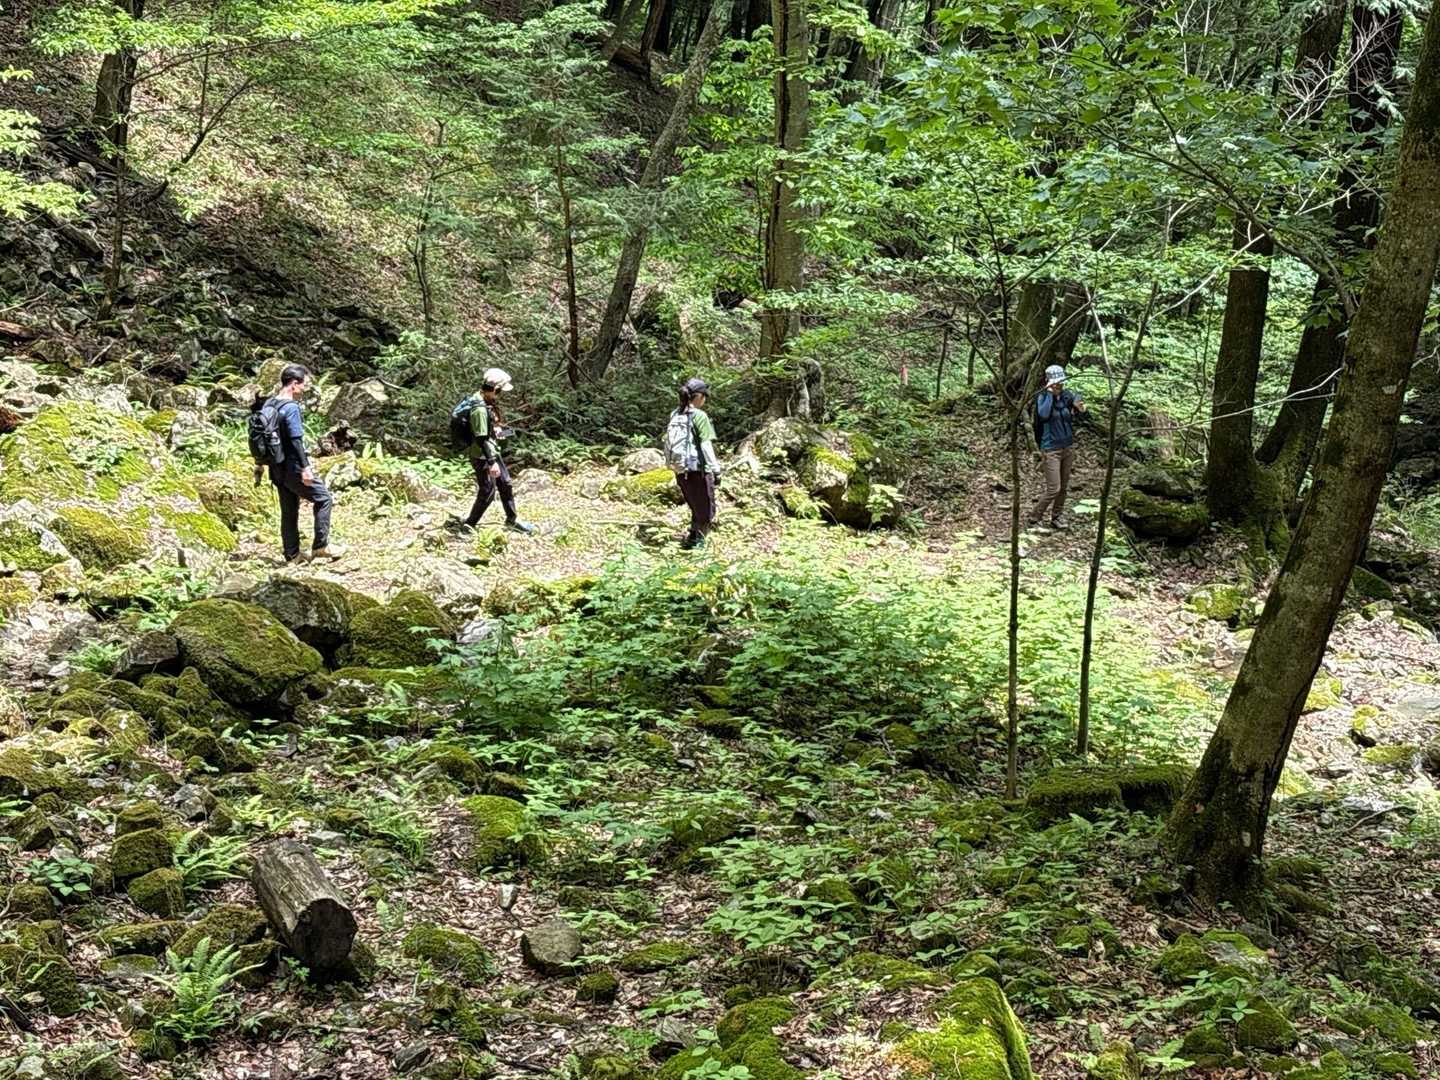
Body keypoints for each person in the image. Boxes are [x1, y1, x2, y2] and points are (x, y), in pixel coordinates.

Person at [267, 364, 345, 563]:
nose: (305, 389)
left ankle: (292, 555)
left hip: (275, 466)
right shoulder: (291, 407)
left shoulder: (269, 404)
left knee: (289, 510)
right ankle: (321, 546)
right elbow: (296, 440)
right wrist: (306, 468)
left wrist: (259, 464)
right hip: (293, 466)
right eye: (304, 385)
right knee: (324, 498)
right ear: (294, 384)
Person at [460, 367, 535, 534]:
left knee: (505, 483)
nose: (500, 395)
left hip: (491, 451)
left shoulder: (484, 400)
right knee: (488, 491)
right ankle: (468, 526)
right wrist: (491, 462)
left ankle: (512, 520)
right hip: (483, 456)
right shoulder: (479, 408)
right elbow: (481, 438)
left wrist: (505, 432)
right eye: (499, 391)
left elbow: (487, 432)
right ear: (495, 389)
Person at [1027, 363, 1086, 532]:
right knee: (1054, 488)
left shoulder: (1067, 396)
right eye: (1056, 382)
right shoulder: (1042, 397)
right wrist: (1050, 394)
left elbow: (1079, 415)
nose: (1059, 385)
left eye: (1061, 382)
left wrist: (1080, 408)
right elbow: (1043, 414)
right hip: (1051, 448)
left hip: (1068, 447)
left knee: (1064, 487)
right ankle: (1034, 517)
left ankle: (1057, 516)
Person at [669, 377, 721, 549]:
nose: (705, 400)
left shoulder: (675, 414)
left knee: (694, 504)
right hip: (698, 469)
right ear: (698, 396)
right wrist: (716, 470)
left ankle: (692, 537)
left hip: (680, 468)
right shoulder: (699, 416)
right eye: (705, 396)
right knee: (706, 509)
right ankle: (699, 545)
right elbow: (706, 445)